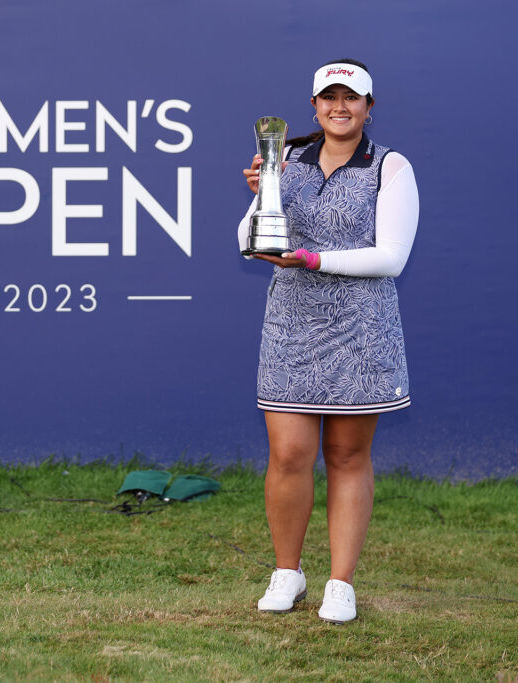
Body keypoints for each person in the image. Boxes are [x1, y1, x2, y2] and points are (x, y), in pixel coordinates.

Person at [237, 59, 419, 624]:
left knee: (346, 455)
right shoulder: (284, 160)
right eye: (329, 97)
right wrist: (265, 189)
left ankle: (341, 583)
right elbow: (247, 238)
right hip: (292, 324)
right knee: (289, 455)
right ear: (314, 106)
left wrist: (315, 258)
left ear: (369, 106)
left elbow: (391, 257)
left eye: (352, 98)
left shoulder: (391, 166)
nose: (340, 107)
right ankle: (288, 573)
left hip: (361, 330)